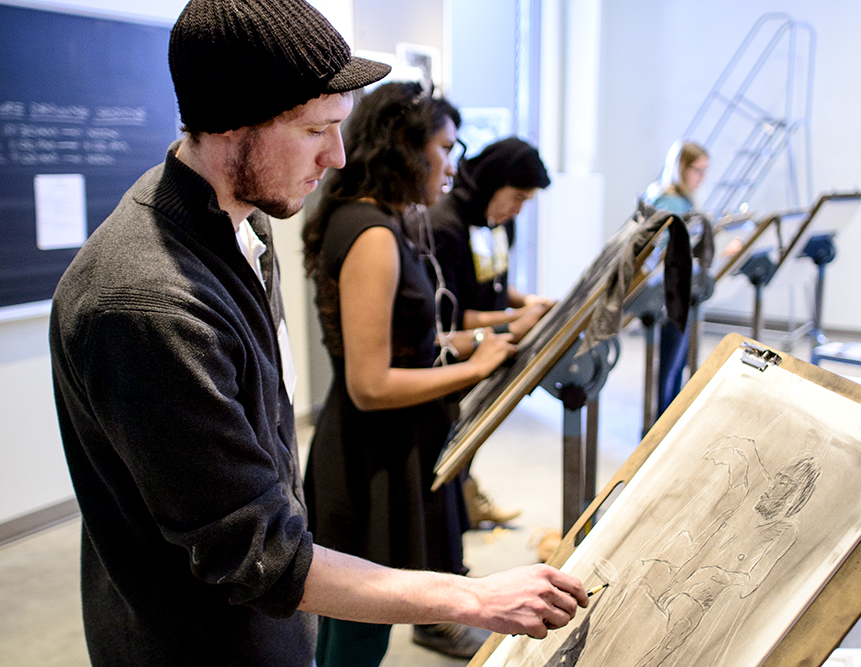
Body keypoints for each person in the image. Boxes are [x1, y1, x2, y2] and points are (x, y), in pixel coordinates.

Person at [48, 2, 587, 666]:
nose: (336, 155)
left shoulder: (241, 220)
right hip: (199, 644)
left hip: (263, 627)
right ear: (231, 124)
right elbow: (258, 552)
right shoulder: (147, 303)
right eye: (314, 130)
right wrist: (471, 599)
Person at [301, 82, 530, 664]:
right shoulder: (372, 234)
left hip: (391, 447)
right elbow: (371, 384)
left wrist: (480, 339)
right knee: (358, 633)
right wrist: (472, 366)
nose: (452, 167)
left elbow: (411, 345)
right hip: (372, 456)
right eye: (445, 149)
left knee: (357, 628)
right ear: (405, 147)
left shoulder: (382, 223)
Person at [424, 136, 555, 527]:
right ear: (493, 181)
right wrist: (511, 322)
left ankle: (466, 495)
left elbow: (494, 287)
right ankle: (458, 503)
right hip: (455, 354)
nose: (517, 210)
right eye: (516, 197)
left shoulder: (498, 222)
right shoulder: (445, 225)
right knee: (450, 438)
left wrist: (527, 301)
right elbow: (450, 316)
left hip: (490, 343)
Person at [643, 140, 711, 413]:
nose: (702, 178)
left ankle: (668, 417)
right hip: (667, 291)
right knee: (670, 365)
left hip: (678, 289)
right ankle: (662, 422)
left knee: (676, 364)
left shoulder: (679, 198)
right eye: (698, 170)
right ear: (681, 167)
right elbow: (662, 248)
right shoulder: (670, 199)